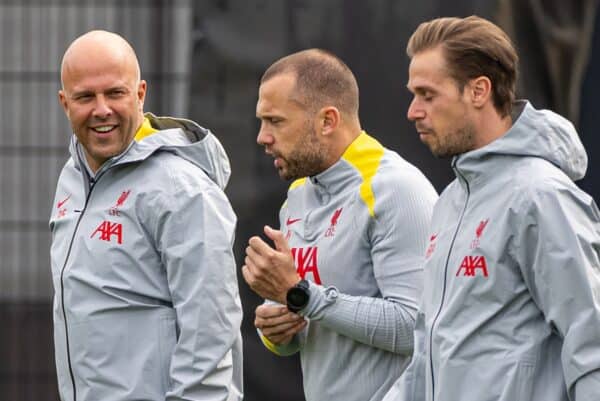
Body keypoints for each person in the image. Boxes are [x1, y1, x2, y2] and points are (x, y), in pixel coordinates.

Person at [383, 16, 600, 401]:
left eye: (427, 95)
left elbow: (592, 344)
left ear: (479, 90)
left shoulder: (541, 195)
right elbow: (428, 352)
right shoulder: (450, 201)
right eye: (413, 95)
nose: (413, 111)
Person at [49, 30, 243, 401]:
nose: (101, 109)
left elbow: (210, 333)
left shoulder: (183, 189)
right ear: (65, 103)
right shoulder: (72, 177)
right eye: (86, 96)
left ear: (140, 94)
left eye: (115, 93)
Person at [242, 49, 438, 401]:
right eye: (261, 121)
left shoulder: (397, 189)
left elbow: (419, 328)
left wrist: (301, 296)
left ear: (327, 121)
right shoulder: (298, 195)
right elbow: (310, 323)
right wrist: (276, 328)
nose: (262, 137)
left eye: (276, 121)